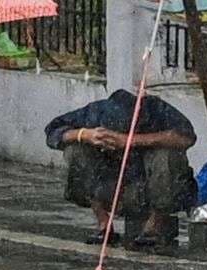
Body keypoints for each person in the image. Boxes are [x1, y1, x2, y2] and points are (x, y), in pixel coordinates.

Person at [44, 90, 197, 248]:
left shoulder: (156, 110)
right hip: (109, 186)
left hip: (150, 187)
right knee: (75, 150)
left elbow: (187, 137)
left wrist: (131, 141)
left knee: (167, 157)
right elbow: (52, 131)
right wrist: (84, 134)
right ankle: (104, 223)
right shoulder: (94, 113)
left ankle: (154, 225)